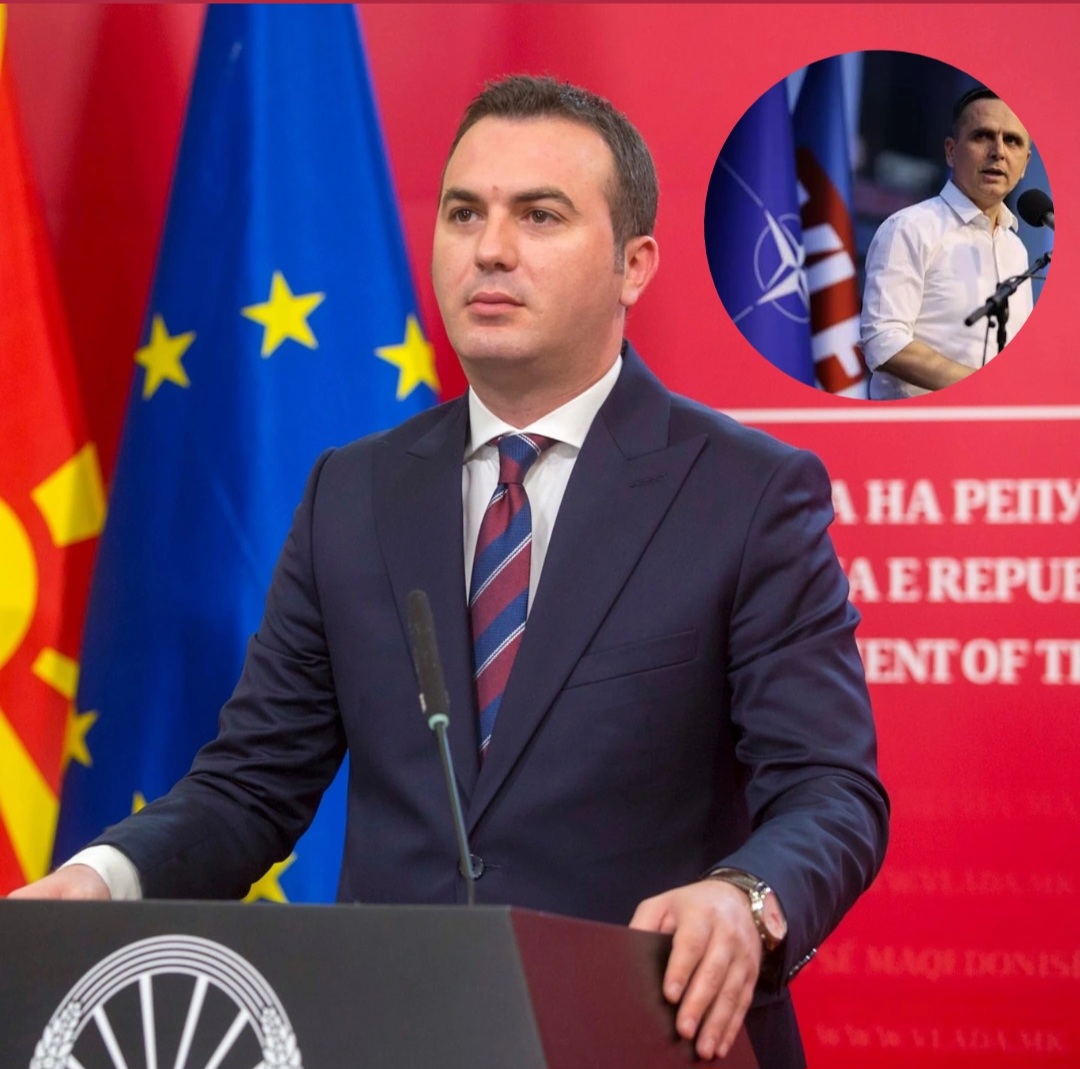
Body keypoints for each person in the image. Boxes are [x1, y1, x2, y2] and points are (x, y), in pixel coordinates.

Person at [11, 75, 888, 1069]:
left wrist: (746, 897)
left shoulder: (747, 492)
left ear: (634, 265)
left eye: (539, 215)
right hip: (390, 1033)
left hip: (644, 1033)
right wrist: (105, 878)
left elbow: (831, 791)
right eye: (464, 212)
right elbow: (253, 783)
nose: (490, 249)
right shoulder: (353, 491)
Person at [860, 87, 1034, 400]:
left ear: (1025, 164)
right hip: (919, 425)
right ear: (951, 151)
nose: (998, 151)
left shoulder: (1016, 250)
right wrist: (984, 389)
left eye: (1012, 141)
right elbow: (884, 342)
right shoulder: (910, 228)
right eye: (982, 136)